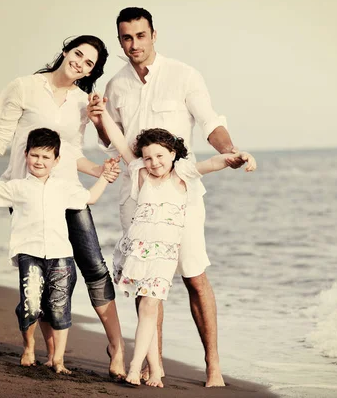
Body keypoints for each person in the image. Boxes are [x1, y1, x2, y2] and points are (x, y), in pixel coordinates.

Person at [0, 35, 126, 379]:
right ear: (66, 51)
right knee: (42, 267)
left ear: (92, 71)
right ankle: (53, 354)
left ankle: (116, 348)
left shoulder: (83, 101)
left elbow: (71, 151)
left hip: (67, 191)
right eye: (78, 54)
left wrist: (99, 169)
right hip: (27, 193)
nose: (80, 63)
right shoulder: (23, 87)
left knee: (94, 266)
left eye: (89, 63)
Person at [87, 7, 250, 386]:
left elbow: (211, 123)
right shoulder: (116, 86)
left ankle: (212, 366)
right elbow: (109, 138)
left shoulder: (184, 75)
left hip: (181, 194)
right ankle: (152, 365)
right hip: (136, 196)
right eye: (127, 38)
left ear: (154, 35)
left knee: (194, 275)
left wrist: (230, 152)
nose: (134, 44)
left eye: (141, 36)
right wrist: (98, 118)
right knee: (147, 282)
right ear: (120, 40)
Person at [94, 104, 256, 386]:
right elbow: (120, 141)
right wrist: (102, 112)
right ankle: (155, 370)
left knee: (148, 307)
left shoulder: (182, 174)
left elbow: (213, 164)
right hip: (137, 251)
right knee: (148, 307)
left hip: (164, 256)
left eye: (160, 155)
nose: (154, 162)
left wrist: (238, 156)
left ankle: (135, 367)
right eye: (148, 157)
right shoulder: (140, 172)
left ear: (173, 153)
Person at [0, 128, 117, 374]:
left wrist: (105, 177)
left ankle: (58, 360)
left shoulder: (64, 188)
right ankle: (29, 346)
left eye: (46, 157)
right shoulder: (18, 187)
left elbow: (90, 198)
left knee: (59, 308)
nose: (39, 161)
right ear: (25, 155)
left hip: (61, 257)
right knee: (31, 306)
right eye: (35, 155)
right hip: (30, 254)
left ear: (56, 160)